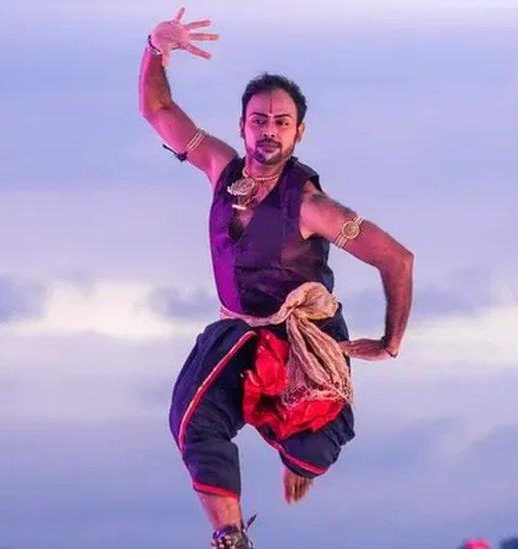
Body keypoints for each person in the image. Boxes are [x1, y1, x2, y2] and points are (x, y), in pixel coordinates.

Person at [139, 8, 415, 548]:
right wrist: (155, 47)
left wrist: (391, 341)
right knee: (191, 417)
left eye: (281, 122)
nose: (269, 131)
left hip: (300, 340)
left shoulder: (311, 206)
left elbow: (396, 259)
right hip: (240, 331)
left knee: (310, 446)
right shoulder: (221, 168)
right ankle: (231, 536)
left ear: (298, 132)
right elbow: (157, 108)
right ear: (243, 125)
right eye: (259, 120)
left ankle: (300, 460)